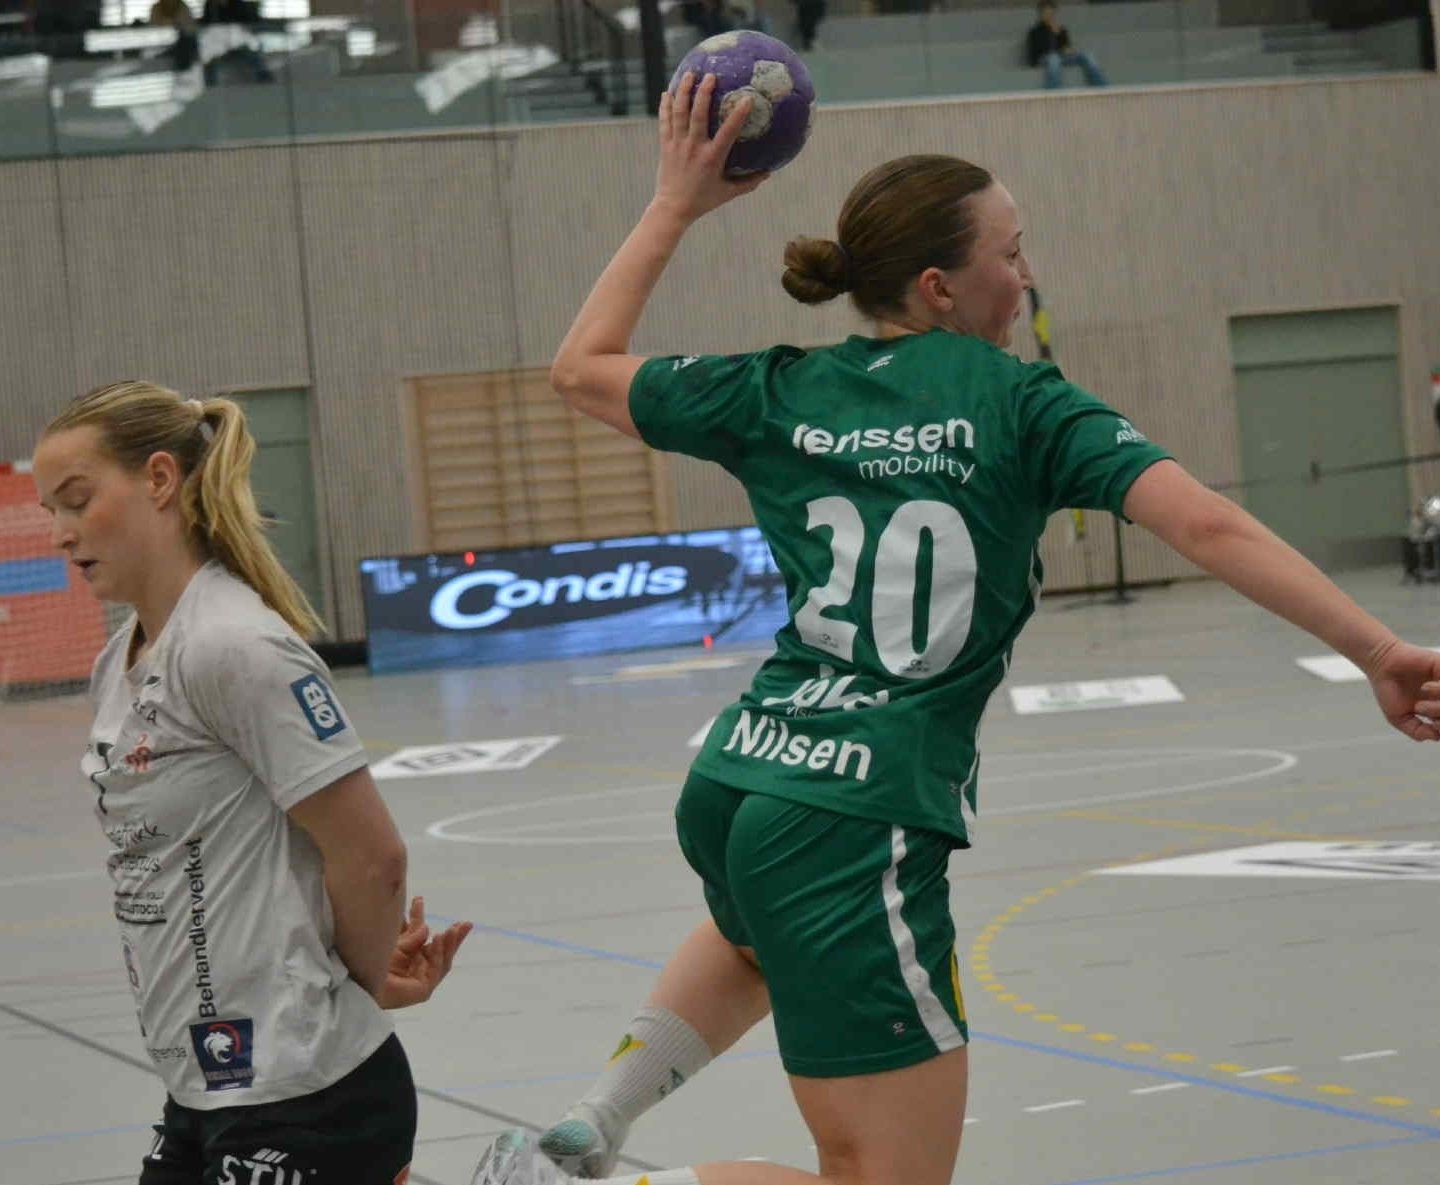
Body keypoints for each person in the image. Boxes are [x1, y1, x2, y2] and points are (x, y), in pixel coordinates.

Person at [470, 73, 1440, 1185]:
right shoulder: (1026, 405)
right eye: (1011, 253)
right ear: (940, 286)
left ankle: (590, 1125)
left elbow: (580, 369)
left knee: (757, 939)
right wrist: (1379, 650)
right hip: (858, 810)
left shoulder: (783, 389)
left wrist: (675, 204)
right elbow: (1208, 525)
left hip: (742, 776)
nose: (1026, 275)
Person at [30, 381, 473, 1185]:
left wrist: (355, 983)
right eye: (49, 510)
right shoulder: (119, 662)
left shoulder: (233, 647)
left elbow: (373, 857)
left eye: (77, 500)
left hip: (304, 1089)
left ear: (159, 479)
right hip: (203, 1086)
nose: (60, 532)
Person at [1026, 1, 1107, 90]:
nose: (1049, 15)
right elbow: (1038, 50)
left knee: (1087, 55)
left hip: (1061, 56)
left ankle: (1102, 88)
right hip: (1043, 58)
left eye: (1051, 13)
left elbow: (1066, 46)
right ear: (1041, 14)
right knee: (1053, 58)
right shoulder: (1035, 31)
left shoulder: (1061, 29)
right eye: (1046, 13)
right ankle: (1054, 92)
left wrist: (1060, 37)